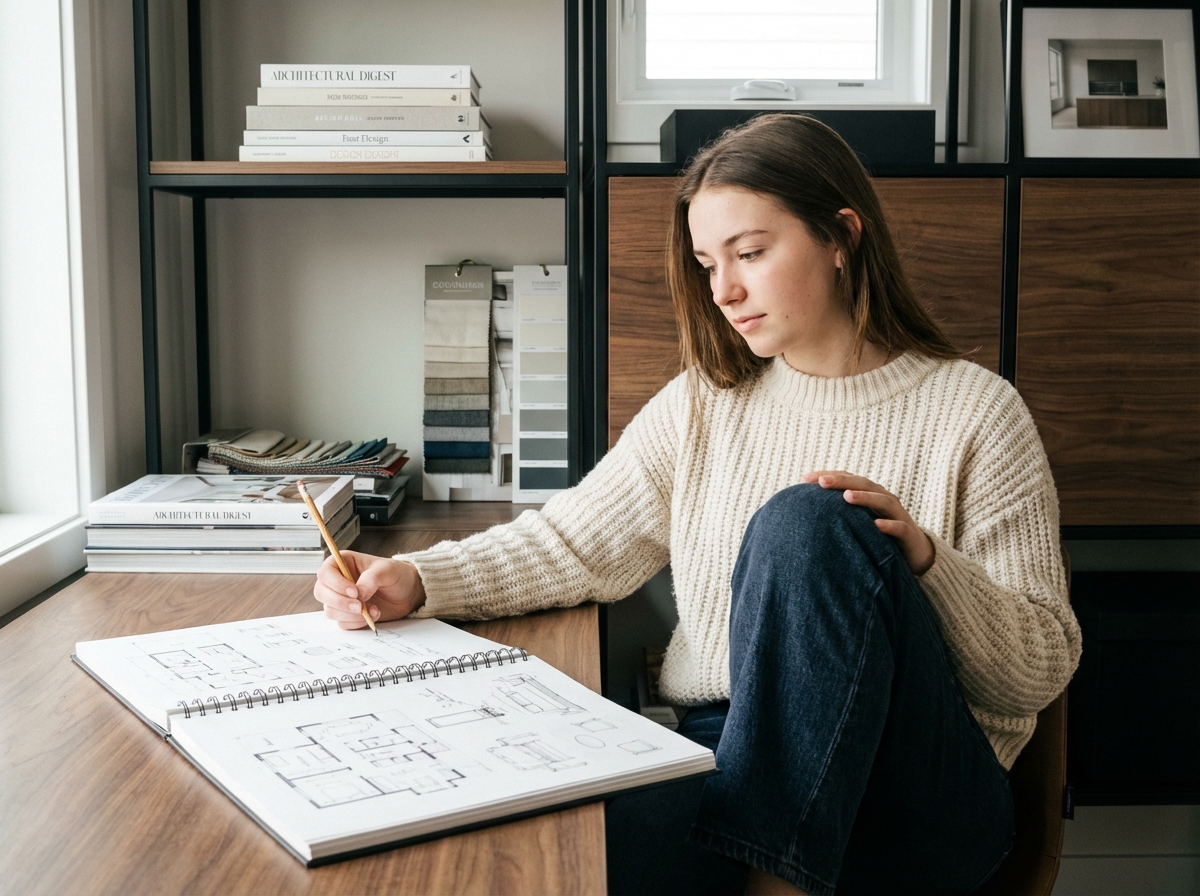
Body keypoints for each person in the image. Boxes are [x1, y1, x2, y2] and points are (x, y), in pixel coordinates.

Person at [313, 113, 1081, 895]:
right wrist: (416, 579)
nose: (725, 290)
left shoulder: (977, 412)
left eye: (750, 253)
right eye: (709, 263)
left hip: (917, 791)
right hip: (733, 757)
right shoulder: (704, 406)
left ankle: (771, 884)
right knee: (538, 846)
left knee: (809, 520)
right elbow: (572, 544)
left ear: (842, 235)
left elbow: (1038, 671)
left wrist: (922, 558)